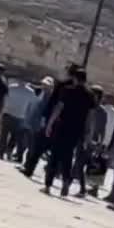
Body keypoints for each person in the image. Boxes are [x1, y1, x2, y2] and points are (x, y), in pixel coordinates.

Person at [41, 67, 94, 197]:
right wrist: (88, 134)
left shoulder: (67, 90)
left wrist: (50, 124)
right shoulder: (90, 96)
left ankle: (48, 185)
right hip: (76, 130)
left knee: (55, 155)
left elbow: (59, 107)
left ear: (75, 78)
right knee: (68, 156)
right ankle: (65, 181)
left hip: (62, 126)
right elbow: (90, 117)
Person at [19, 77, 54, 168]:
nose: (44, 86)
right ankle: (26, 164)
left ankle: (28, 165)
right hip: (33, 121)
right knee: (29, 143)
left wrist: (42, 123)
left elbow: (46, 111)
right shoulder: (42, 93)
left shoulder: (49, 97)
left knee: (33, 146)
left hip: (39, 124)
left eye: (46, 85)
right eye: (44, 84)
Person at [0, 80, 37, 160]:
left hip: (8, 113)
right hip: (20, 116)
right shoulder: (30, 92)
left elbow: (5, 99)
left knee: (4, 135)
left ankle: (1, 153)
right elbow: (32, 106)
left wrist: (2, 110)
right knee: (14, 136)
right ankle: (9, 151)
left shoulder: (11, 87)